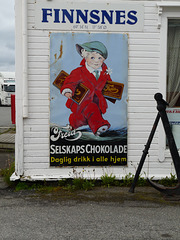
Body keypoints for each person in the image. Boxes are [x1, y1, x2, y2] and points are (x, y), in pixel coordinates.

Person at [61, 41, 112, 136]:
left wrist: (113, 92)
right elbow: (70, 82)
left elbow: (109, 85)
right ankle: (98, 127)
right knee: (89, 110)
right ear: (85, 57)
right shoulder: (79, 72)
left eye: (99, 58)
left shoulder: (104, 73)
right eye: (92, 57)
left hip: (98, 103)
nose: (96, 61)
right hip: (81, 102)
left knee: (88, 116)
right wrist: (68, 90)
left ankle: (77, 125)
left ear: (103, 59)